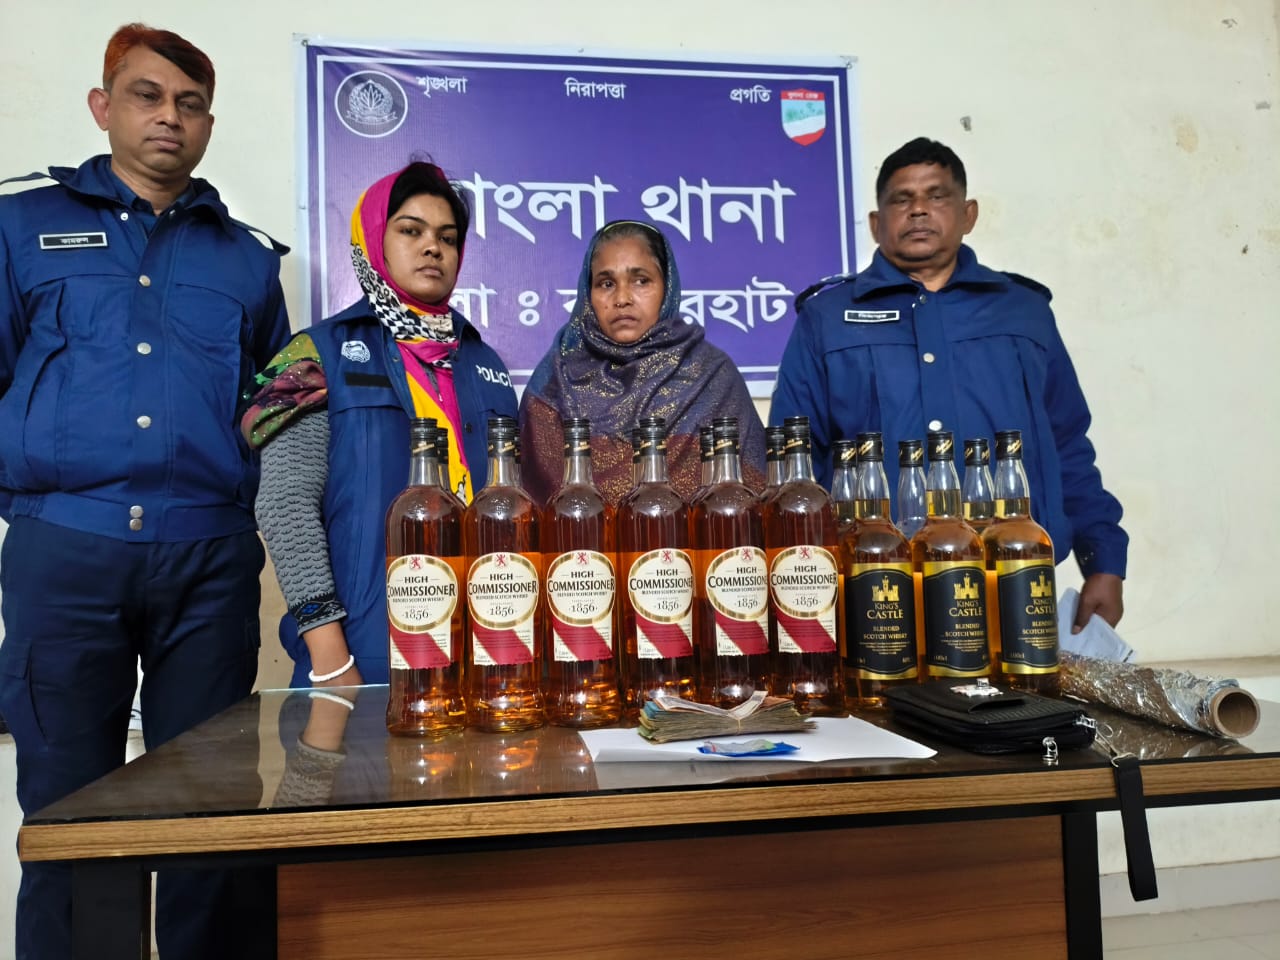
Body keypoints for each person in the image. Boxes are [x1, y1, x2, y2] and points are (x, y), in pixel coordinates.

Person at [0, 24, 289, 959]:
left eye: (190, 104)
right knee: (72, 812)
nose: (170, 116)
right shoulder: (19, 226)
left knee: (209, 809)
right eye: (147, 95)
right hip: (65, 554)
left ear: (209, 125)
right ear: (103, 106)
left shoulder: (247, 259)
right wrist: (36, 506)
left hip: (206, 559)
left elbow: (270, 412)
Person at [771, 137, 1127, 631]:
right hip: (873, 582)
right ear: (876, 223)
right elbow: (793, 458)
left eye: (936, 196)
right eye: (901, 199)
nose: (918, 210)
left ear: (968, 214)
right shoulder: (827, 319)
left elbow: (1067, 443)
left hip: (1013, 577)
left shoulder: (1023, 312)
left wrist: (1103, 560)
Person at [243, 161, 518, 687]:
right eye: (411, 231)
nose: (432, 247)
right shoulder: (317, 355)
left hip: (483, 656)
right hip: (363, 660)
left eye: (447, 238)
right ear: (375, 241)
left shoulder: (487, 365)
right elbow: (285, 506)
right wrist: (330, 657)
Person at [519, 220, 766, 505]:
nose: (622, 298)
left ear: (667, 287)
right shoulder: (555, 380)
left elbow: (748, 500)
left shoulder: (711, 376)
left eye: (641, 281)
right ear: (588, 294)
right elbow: (535, 506)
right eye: (606, 283)